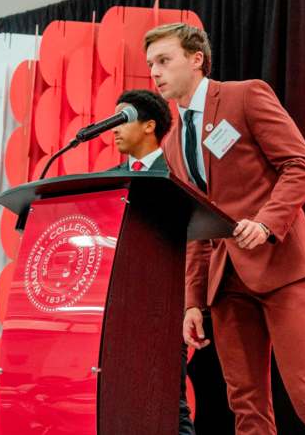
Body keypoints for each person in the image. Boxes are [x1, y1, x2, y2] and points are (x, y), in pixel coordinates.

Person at [144, 23, 305, 434]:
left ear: (196, 59)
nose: (155, 72)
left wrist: (265, 223)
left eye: (164, 61)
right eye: (151, 64)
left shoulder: (245, 96)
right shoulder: (171, 144)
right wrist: (192, 301)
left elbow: (301, 167)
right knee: (246, 405)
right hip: (225, 284)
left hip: (281, 265)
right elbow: (195, 227)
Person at [109, 88, 195, 435]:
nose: (112, 128)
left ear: (148, 126)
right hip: (120, 309)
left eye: (121, 118)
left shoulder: (178, 173)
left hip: (165, 306)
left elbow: (196, 242)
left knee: (169, 405)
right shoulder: (109, 178)